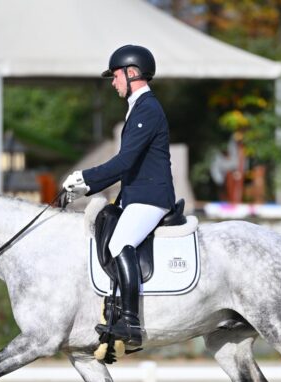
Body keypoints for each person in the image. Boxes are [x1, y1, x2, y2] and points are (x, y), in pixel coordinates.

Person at [63, 44, 176, 347]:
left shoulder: (148, 109)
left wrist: (85, 179)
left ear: (132, 73)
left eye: (115, 76)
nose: (113, 82)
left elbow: (124, 162)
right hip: (136, 196)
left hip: (151, 197)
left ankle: (130, 322)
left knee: (119, 242)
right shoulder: (138, 108)